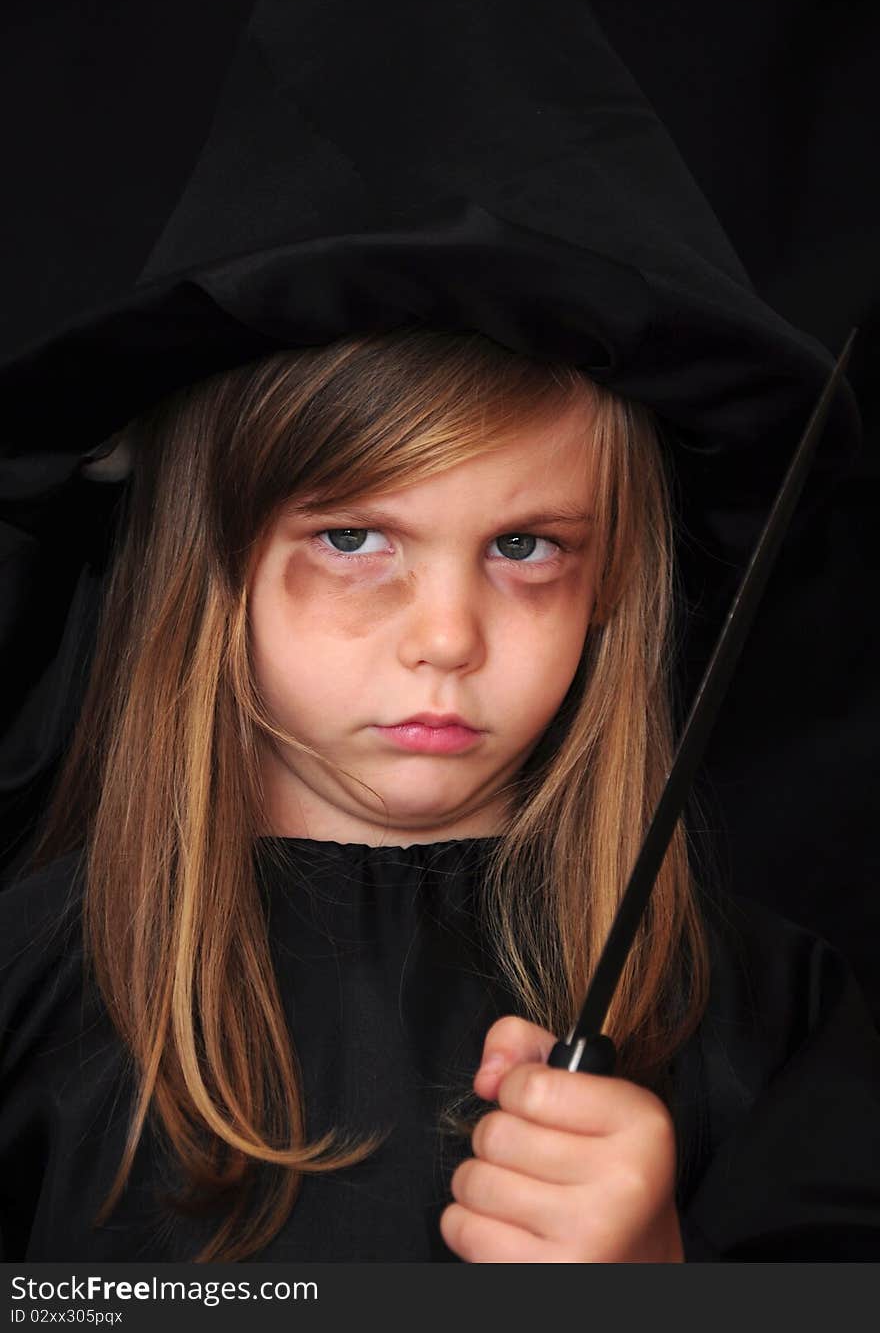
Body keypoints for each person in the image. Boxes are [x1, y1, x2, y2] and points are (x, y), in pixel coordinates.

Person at [1, 325, 879, 1263]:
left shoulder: (771, 1018)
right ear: (209, 562)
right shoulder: (29, 987)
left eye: (523, 544)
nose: (450, 636)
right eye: (353, 537)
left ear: (612, 582)